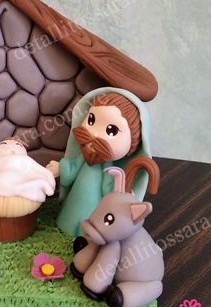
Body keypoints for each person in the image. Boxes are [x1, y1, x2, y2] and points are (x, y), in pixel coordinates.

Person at [46, 87, 154, 237]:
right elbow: (72, 171)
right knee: (69, 216)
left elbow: (108, 190)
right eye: (91, 120)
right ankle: (67, 222)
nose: (95, 134)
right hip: (72, 206)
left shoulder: (108, 168)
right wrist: (62, 167)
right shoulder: (84, 158)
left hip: (96, 214)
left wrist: (122, 194)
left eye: (111, 130)